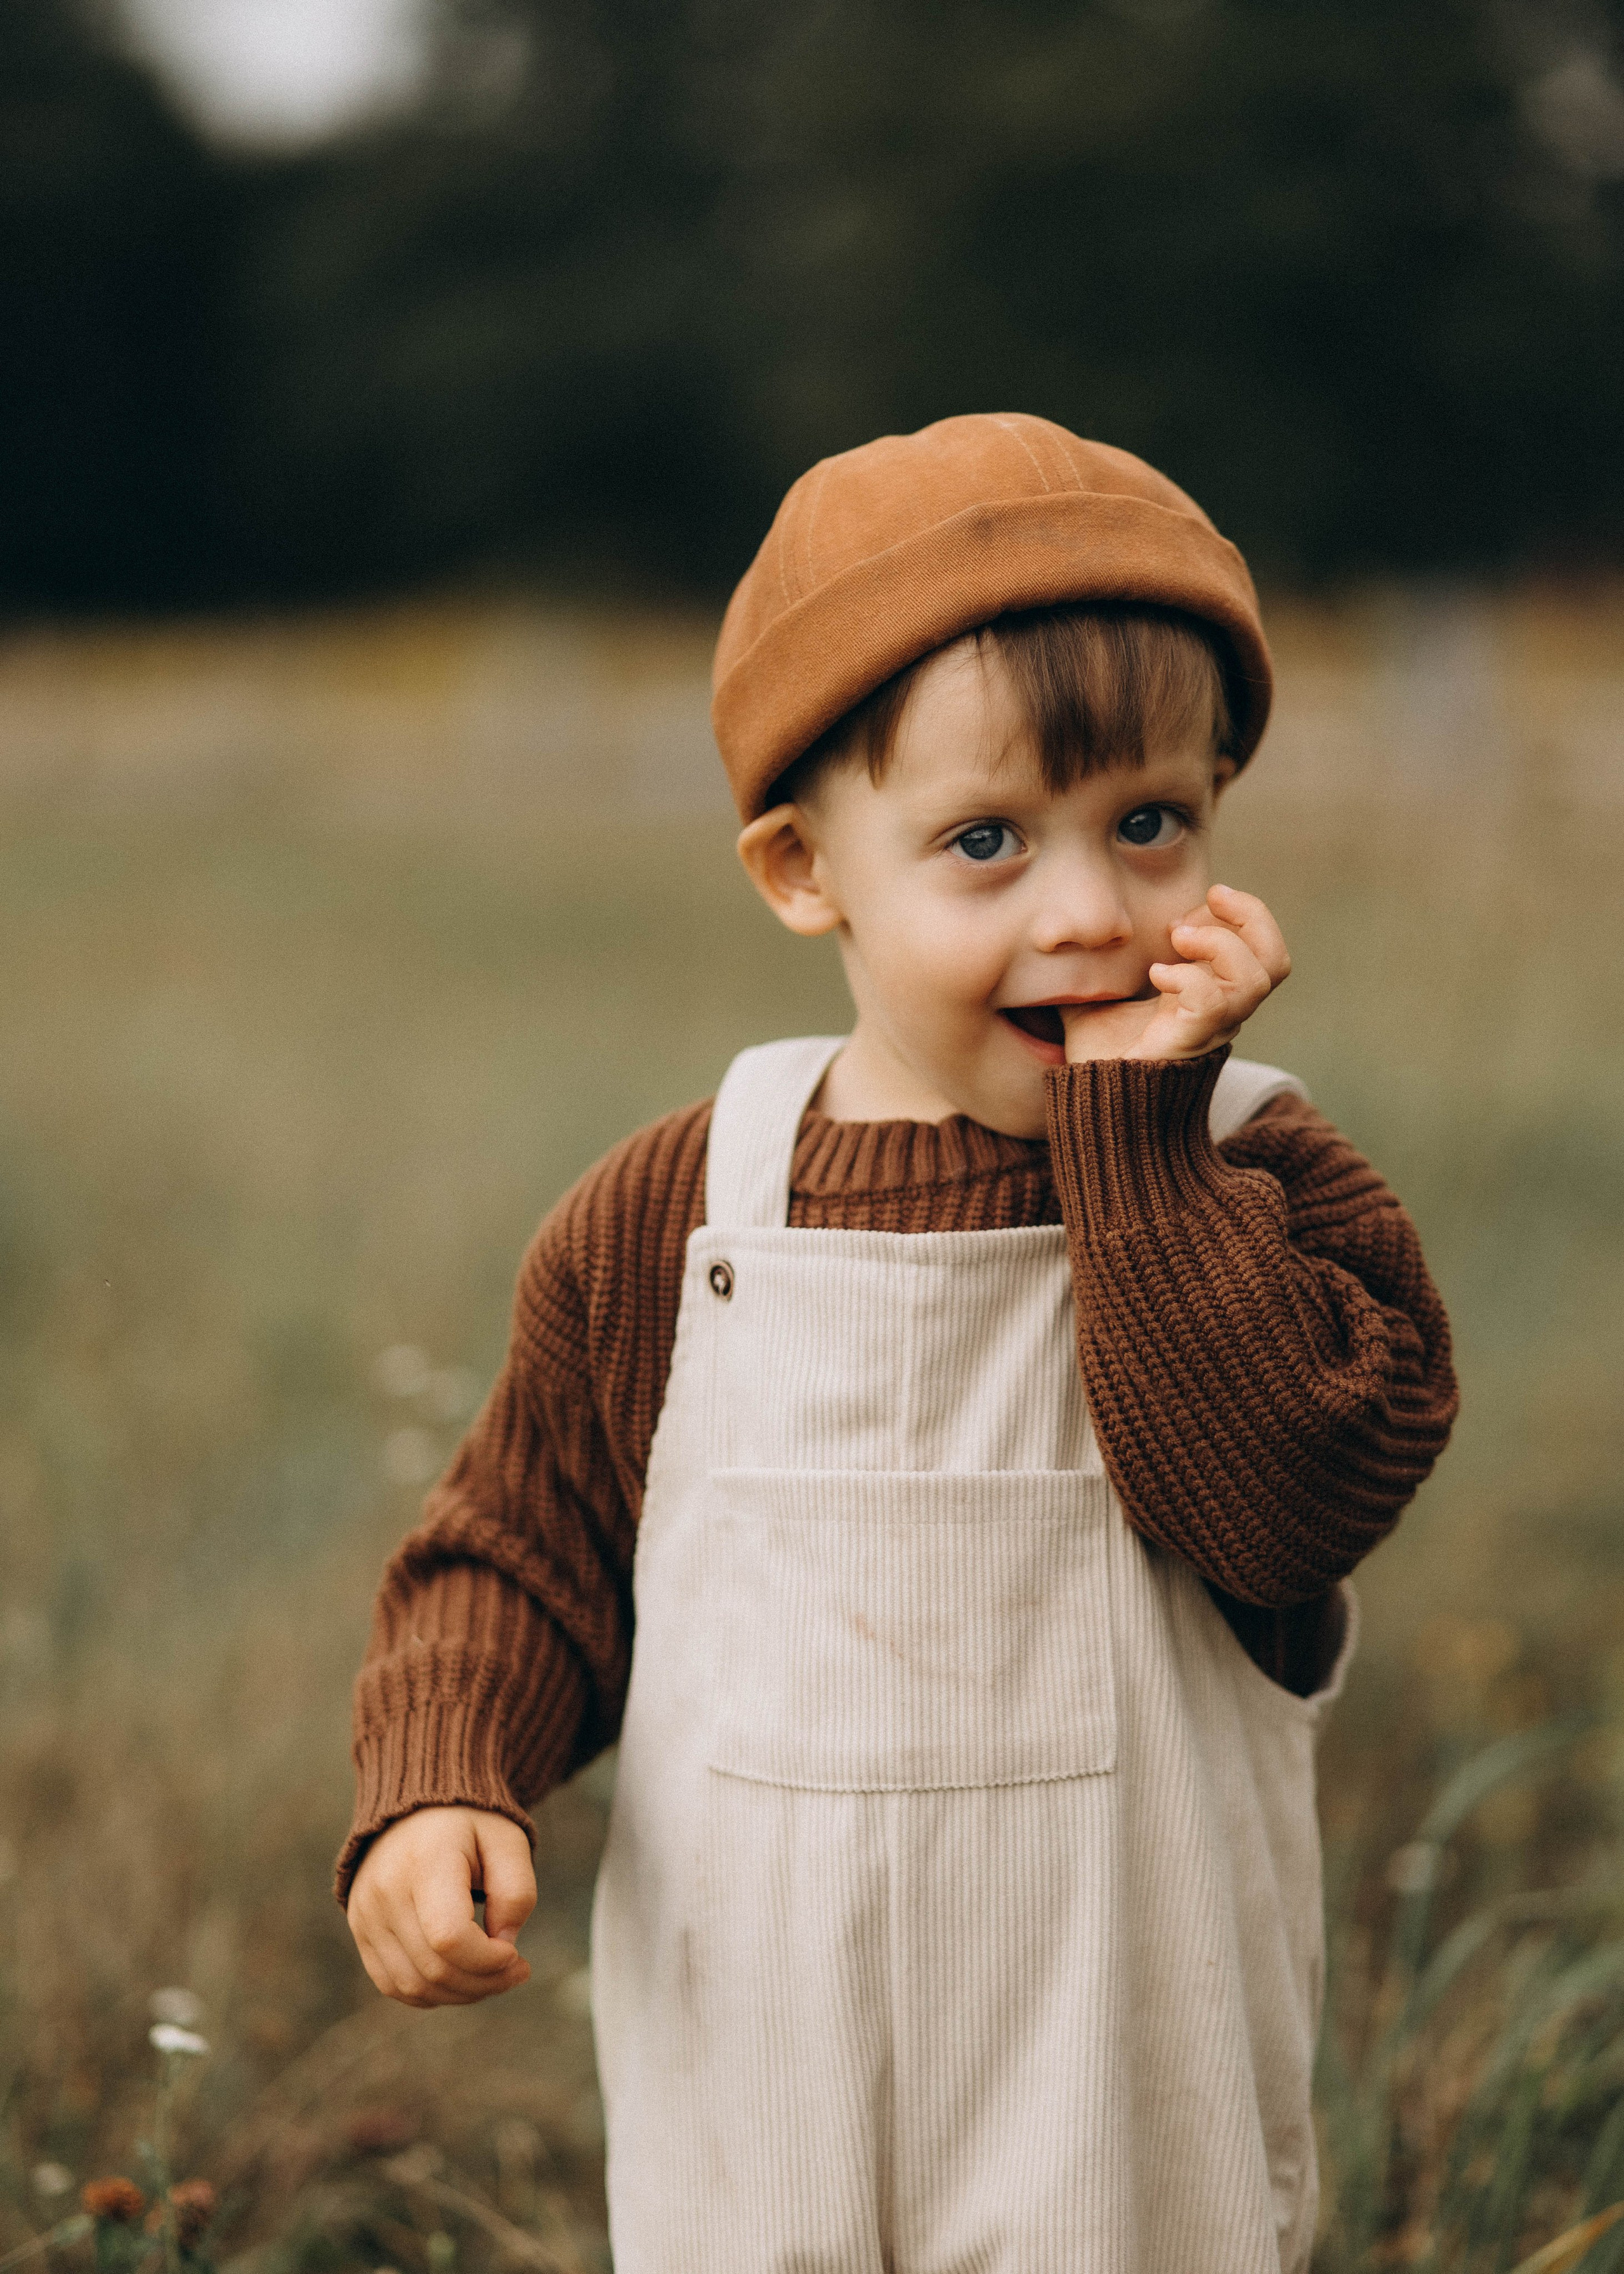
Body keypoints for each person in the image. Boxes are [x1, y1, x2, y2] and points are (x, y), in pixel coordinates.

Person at [337, 414, 1458, 2272]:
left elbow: (1277, 1512)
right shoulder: (681, 1212)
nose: (1092, 913)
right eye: (988, 841)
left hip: (1119, 2119)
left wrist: (1136, 1146)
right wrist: (442, 1783)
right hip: (765, 2104)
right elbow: (521, 1554)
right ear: (805, 870)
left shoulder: (1266, 1175)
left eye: (1152, 824)